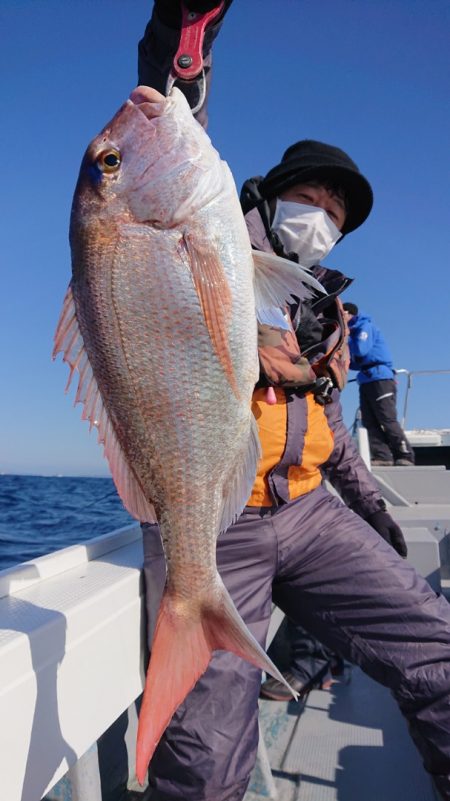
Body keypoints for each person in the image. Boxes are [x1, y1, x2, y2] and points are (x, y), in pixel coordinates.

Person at [138, 4, 450, 800]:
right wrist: (182, 38)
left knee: (440, 648)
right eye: (315, 199)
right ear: (272, 195)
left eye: (338, 219)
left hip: (312, 512)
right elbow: (168, 130)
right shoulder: (204, 241)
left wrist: (367, 506)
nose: (325, 223)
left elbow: (328, 426)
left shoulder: (325, 309)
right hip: (215, 521)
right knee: (203, 759)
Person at [343, 302, 415, 466]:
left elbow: (360, 351)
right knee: (369, 420)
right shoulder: (354, 333)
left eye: (342, 313)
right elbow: (355, 361)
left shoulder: (364, 327)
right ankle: (382, 456)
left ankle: (405, 454)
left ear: (349, 313)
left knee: (387, 418)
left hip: (380, 379)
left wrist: (345, 342)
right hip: (367, 379)